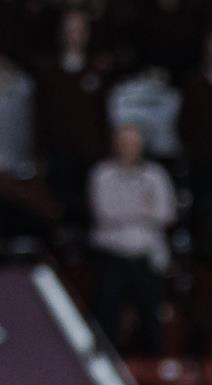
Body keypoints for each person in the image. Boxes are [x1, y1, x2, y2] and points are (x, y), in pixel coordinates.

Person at [88, 123, 176, 353]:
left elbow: (165, 213)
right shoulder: (102, 174)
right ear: (115, 145)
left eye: (133, 144)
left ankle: (151, 364)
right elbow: (105, 213)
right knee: (107, 310)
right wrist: (143, 209)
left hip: (146, 256)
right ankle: (103, 360)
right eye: (124, 143)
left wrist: (130, 210)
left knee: (151, 315)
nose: (128, 148)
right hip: (112, 256)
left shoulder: (155, 175)